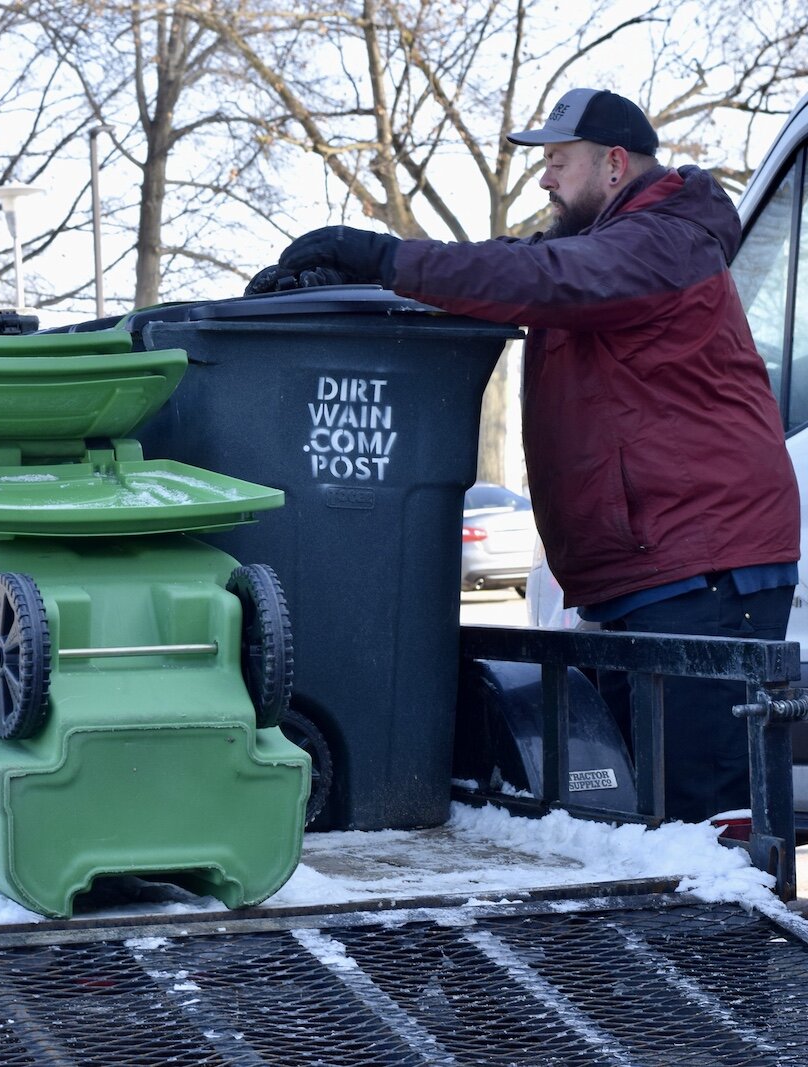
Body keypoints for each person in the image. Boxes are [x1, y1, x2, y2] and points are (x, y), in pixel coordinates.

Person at [250, 88, 801, 824]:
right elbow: (507, 268)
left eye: (558, 163)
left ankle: (736, 940)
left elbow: (538, 280)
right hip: (648, 567)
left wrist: (379, 253)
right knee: (644, 812)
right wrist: (358, 279)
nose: (544, 180)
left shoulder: (662, 242)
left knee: (701, 809)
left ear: (612, 164)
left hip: (701, 567)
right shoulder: (608, 246)